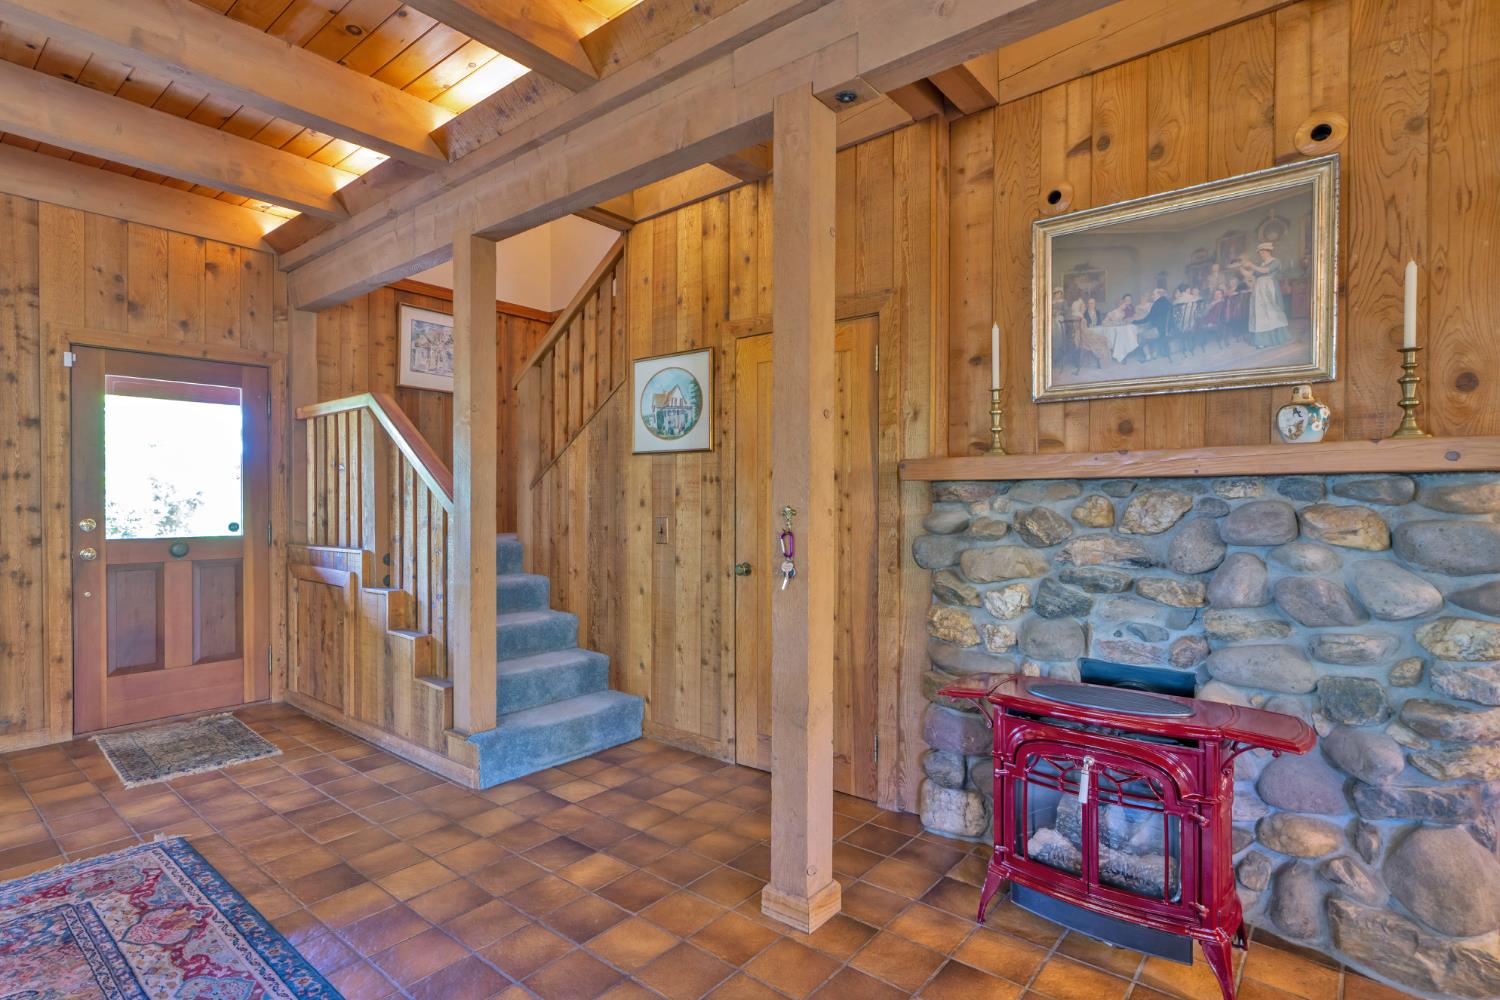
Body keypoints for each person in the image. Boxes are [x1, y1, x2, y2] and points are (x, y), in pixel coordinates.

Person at [1246, 241, 1290, 347]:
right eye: (1260, 253)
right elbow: (1251, 274)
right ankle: (1262, 341)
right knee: (1260, 312)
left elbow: (1265, 271)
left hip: (1269, 287)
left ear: (1269, 252)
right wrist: (1241, 268)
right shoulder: (1261, 264)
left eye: (1263, 252)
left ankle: (1276, 337)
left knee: (1272, 310)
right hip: (1259, 289)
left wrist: (1252, 265)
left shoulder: (1275, 261)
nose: (1262, 255)